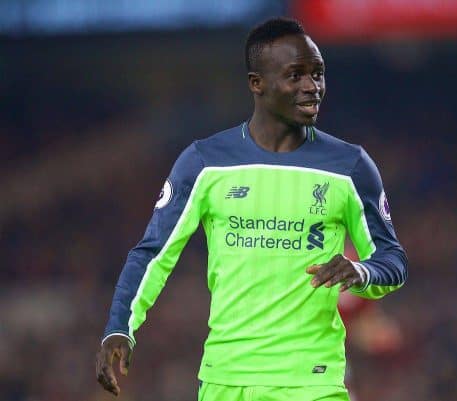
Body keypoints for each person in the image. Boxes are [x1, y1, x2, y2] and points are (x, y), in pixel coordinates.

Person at [95, 17, 407, 401]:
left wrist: (360, 271)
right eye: (296, 75)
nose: (313, 87)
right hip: (226, 380)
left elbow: (392, 261)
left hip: (312, 382)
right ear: (257, 83)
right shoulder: (205, 162)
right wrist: (120, 327)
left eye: (318, 74)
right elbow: (153, 254)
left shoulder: (350, 166)